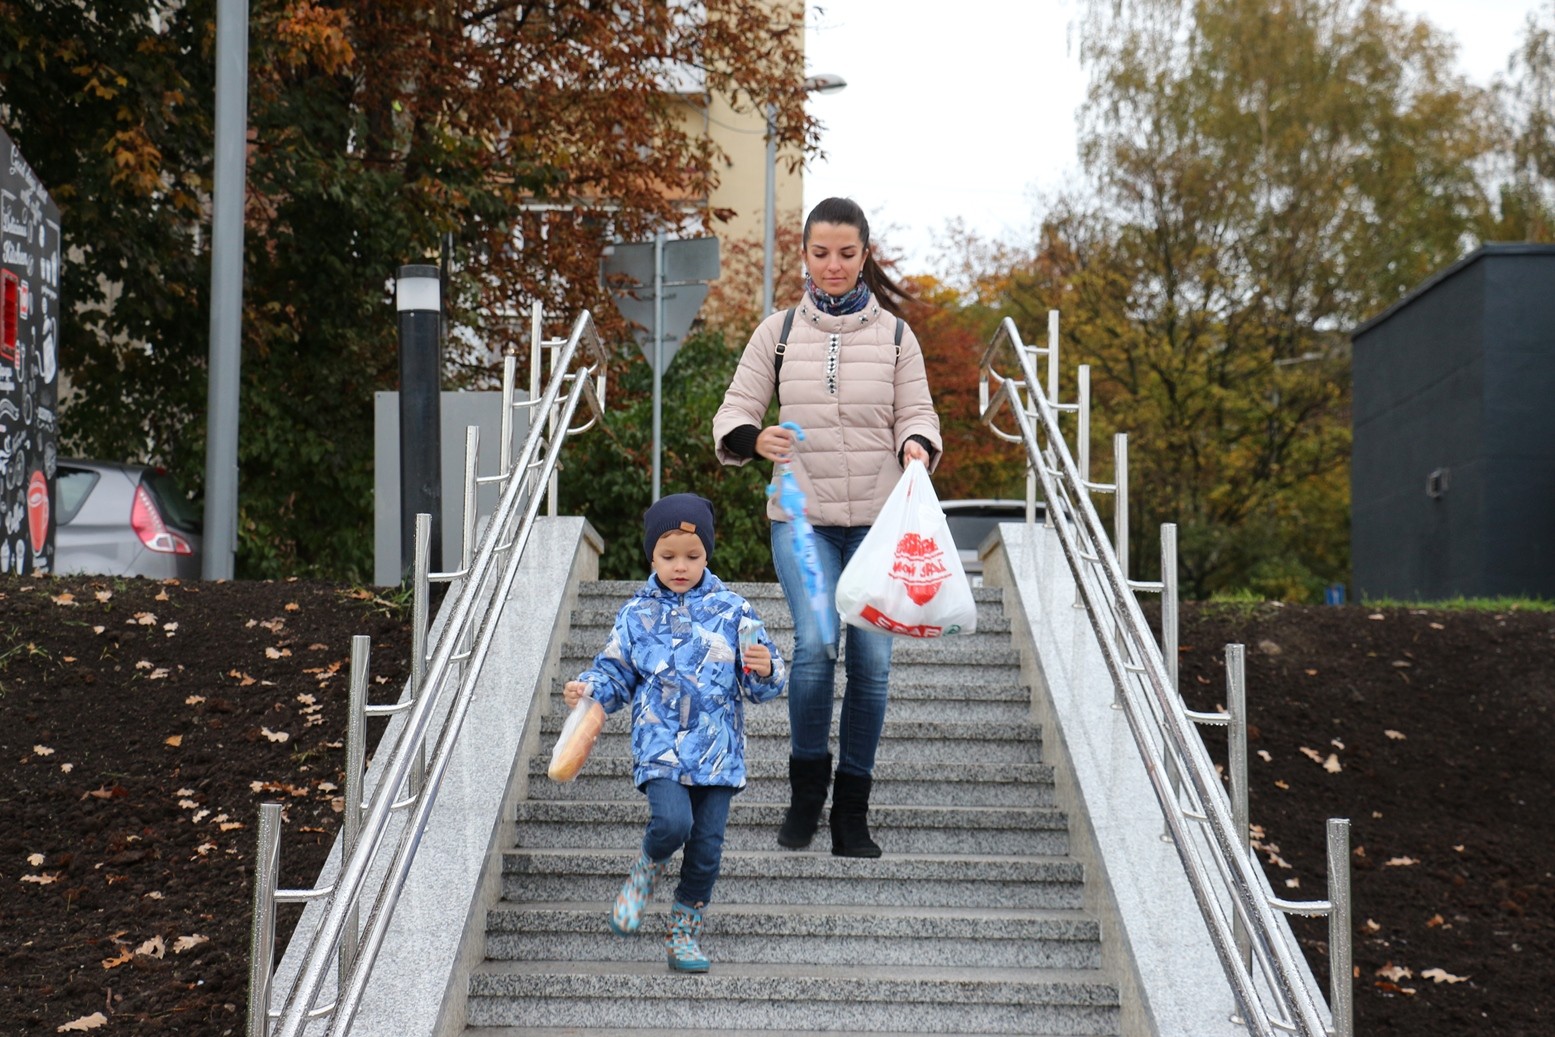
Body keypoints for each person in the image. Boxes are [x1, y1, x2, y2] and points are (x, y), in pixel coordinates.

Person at [712, 196, 942, 859]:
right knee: (815, 641)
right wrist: (756, 439)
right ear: (804, 255)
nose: (833, 265)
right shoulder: (777, 332)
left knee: (870, 662)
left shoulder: (897, 336)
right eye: (820, 253)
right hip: (802, 518)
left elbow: (918, 413)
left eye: (846, 253)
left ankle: (851, 806)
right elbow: (734, 410)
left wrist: (917, 446)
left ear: (864, 254)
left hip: (877, 525)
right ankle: (805, 789)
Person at [563, 492, 786, 973]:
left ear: (707, 553)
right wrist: (588, 690)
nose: (680, 566)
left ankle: (683, 931)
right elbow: (615, 671)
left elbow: (761, 684)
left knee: (706, 849)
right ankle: (645, 872)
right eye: (668, 556)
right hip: (660, 745)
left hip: (718, 754)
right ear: (651, 555)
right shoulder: (636, 614)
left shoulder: (734, 611)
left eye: (692, 555)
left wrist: (766, 669)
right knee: (672, 824)